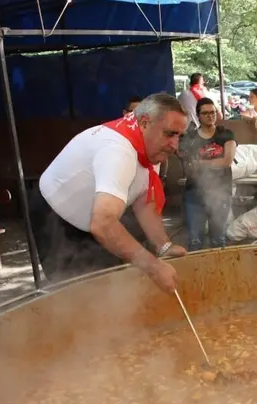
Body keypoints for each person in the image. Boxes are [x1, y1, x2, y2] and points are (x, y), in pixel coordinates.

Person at [31, 93, 188, 291]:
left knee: (112, 281)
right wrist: (155, 267)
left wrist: (163, 245)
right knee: (76, 291)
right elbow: (104, 224)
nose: (175, 145)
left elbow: (144, 201)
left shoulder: (148, 146)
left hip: (96, 218)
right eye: (169, 134)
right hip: (56, 216)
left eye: (179, 136)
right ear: (145, 122)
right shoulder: (117, 152)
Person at [179, 98, 237, 251]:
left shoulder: (226, 134)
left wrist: (202, 164)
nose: (210, 116)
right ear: (198, 116)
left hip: (221, 192)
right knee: (195, 240)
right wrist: (210, 163)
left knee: (218, 239)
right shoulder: (190, 138)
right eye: (205, 113)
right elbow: (188, 166)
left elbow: (226, 161)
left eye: (212, 112)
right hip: (194, 194)